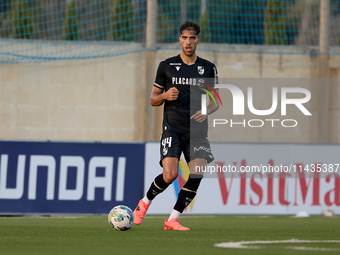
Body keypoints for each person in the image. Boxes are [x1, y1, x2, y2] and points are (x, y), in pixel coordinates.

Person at [133, 21, 219, 231]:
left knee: (197, 173)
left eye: (192, 38)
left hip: (197, 131)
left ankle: (172, 219)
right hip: (172, 128)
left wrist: (207, 110)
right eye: (184, 38)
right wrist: (164, 95)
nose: (188, 42)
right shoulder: (166, 66)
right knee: (170, 175)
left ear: (199, 39)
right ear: (179, 39)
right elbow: (153, 99)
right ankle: (144, 203)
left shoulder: (208, 67)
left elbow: (216, 101)